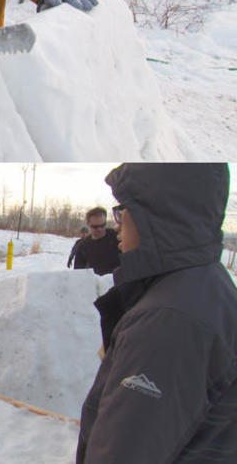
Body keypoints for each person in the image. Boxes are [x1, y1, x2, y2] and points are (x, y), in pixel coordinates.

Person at [77, 163, 237, 464]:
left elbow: (121, 452)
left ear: (159, 216)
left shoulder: (168, 321)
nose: (117, 224)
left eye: (125, 209)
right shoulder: (204, 287)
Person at [74, 207, 121, 275]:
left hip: (120, 281)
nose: (100, 229)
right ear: (88, 224)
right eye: (95, 227)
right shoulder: (83, 246)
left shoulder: (117, 236)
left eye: (102, 225)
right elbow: (78, 273)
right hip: (97, 283)